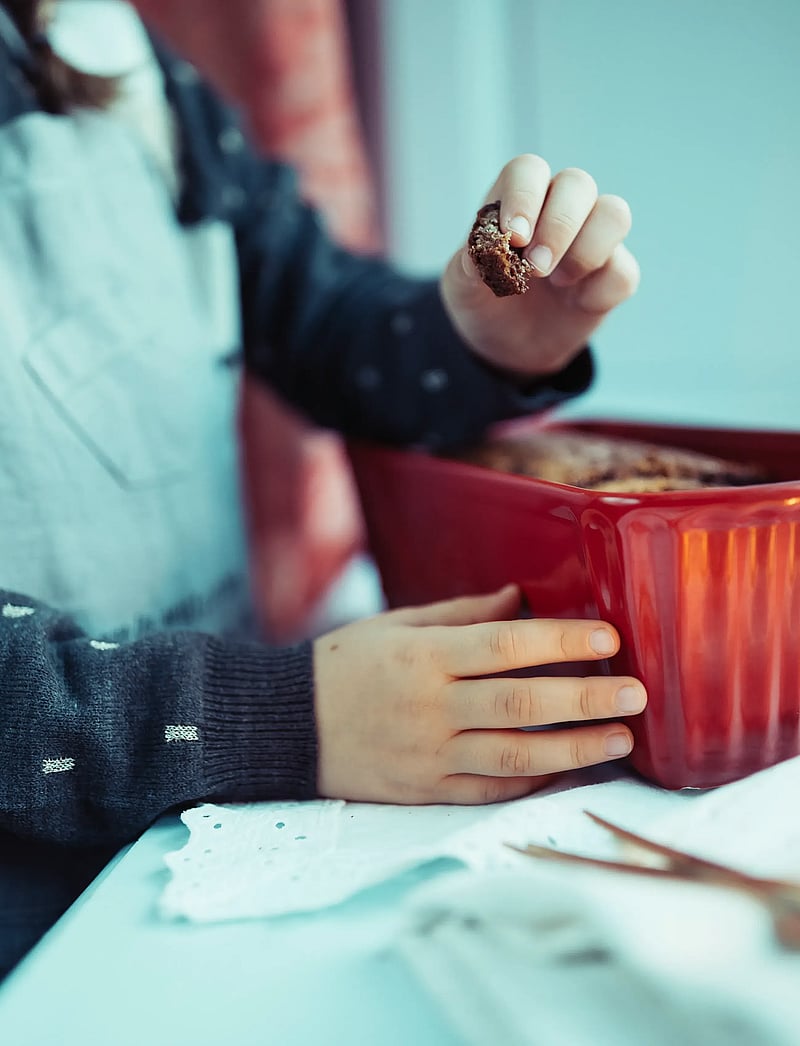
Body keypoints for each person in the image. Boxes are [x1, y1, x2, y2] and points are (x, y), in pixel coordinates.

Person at [0, 0, 644, 979]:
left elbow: (324, 320)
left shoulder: (113, 51)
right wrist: (277, 715)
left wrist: (475, 335)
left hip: (186, 843)